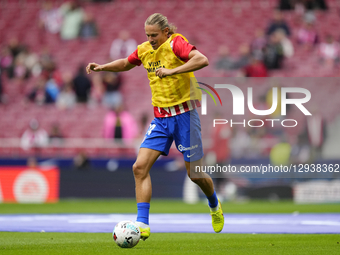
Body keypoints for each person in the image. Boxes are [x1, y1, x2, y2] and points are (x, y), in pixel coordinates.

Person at [86, 13, 224, 240]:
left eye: (154, 35)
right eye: (148, 35)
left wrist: (173, 70)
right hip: (161, 118)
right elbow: (125, 63)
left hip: (185, 116)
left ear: (166, 31)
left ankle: (214, 204)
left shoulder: (176, 43)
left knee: (195, 175)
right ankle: (143, 224)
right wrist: (102, 68)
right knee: (139, 167)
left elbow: (202, 59)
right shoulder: (144, 50)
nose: (150, 39)